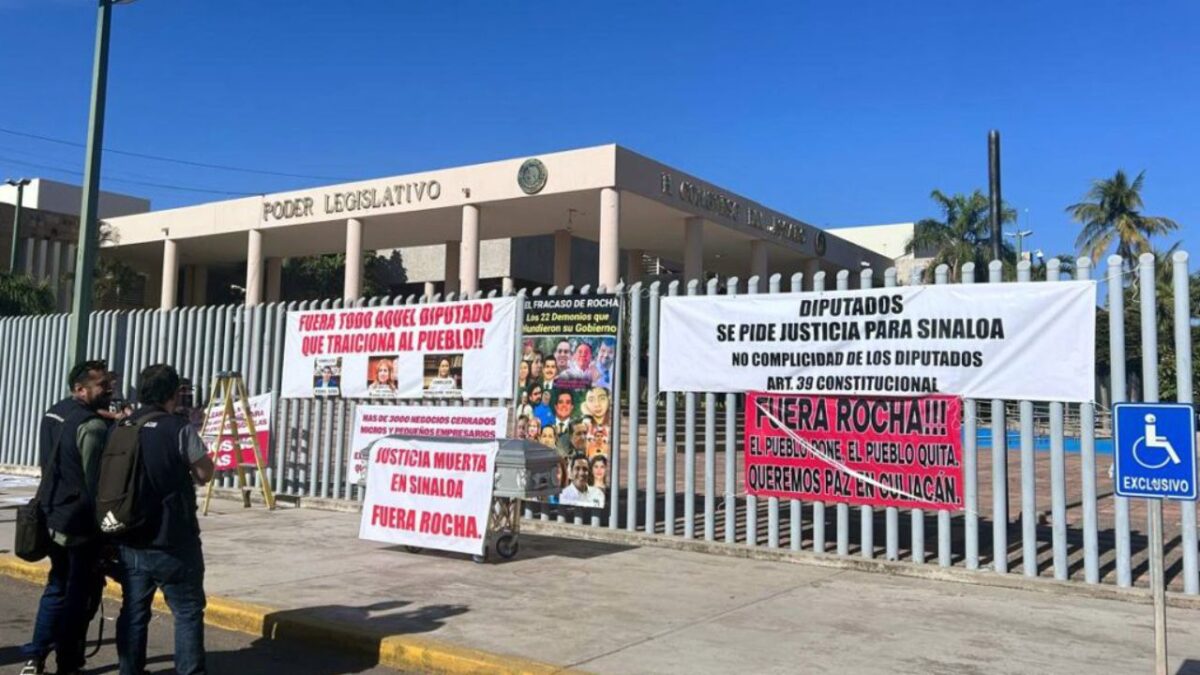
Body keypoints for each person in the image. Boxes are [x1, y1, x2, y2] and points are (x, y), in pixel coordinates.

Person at [115, 364, 215, 675]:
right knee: (186, 612)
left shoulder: (122, 425)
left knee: (134, 612)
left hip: (129, 535)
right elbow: (204, 473)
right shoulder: (178, 429)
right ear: (172, 394)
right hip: (172, 538)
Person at [21, 360, 113, 675]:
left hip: (52, 512)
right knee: (79, 596)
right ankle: (68, 662)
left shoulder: (54, 412)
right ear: (80, 389)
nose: (109, 389)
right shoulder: (93, 427)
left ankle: (35, 657)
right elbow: (95, 483)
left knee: (56, 587)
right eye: (102, 384)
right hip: (79, 523)